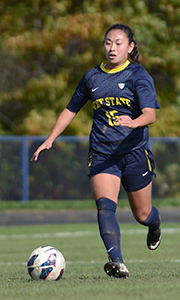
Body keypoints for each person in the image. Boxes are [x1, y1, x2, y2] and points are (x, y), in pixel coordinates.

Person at [31, 23, 162, 279]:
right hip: (103, 153)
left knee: (143, 214)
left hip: (135, 153)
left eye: (118, 43)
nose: (112, 48)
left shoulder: (138, 75)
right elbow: (71, 109)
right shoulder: (92, 77)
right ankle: (117, 261)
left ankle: (155, 224)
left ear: (130, 47)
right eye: (108, 42)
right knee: (105, 207)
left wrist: (134, 122)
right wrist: (50, 138)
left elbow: (151, 114)